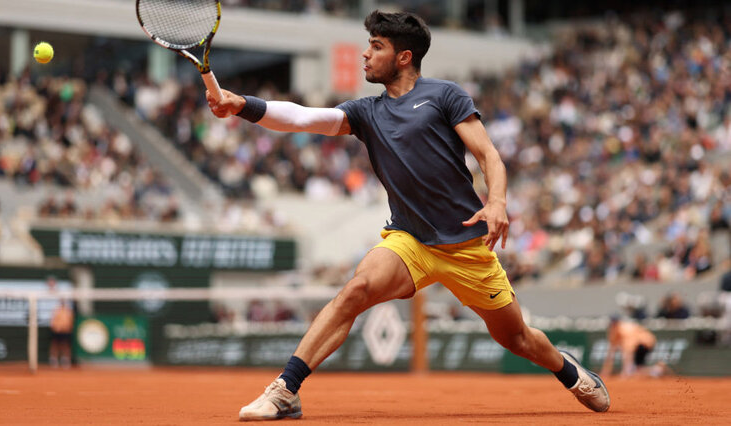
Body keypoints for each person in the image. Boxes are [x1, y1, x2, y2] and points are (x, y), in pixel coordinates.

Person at [206, 10, 610, 420]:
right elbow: (303, 118)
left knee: (517, 338)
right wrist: (243, 105)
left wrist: (498, 202)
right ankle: (284, 390)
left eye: (376, 47)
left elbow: (488, 154)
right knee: (355, 291)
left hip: (466, 245)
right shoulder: (366, 113)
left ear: (404, 57)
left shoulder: (445, 95)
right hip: (409, 240)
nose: (365, 54)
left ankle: (567, 370)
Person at [49, 299, 74, 368]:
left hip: (65, 331)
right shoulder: (56, 310)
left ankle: (65, 360)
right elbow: (53, 321)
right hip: (57, 331)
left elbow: (70, 321)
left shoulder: (68, 311)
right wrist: (56, 328)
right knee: (55, 345)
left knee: (65, 345)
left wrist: (67, 328)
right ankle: (54, 360)